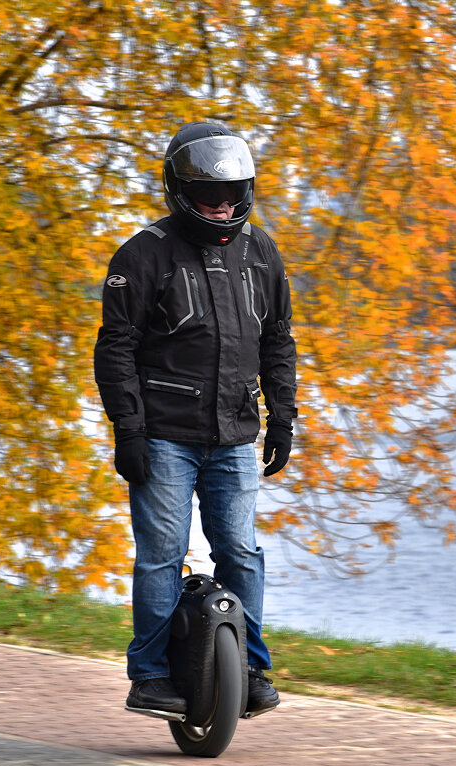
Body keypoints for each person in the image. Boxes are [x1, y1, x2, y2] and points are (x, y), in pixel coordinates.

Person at [94, 122, 298, 717]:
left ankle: (253, 670)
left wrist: (282, 418)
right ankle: (150, 675)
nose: (223, 204)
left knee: (241, 550)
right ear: (179, 190)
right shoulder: (142, 255)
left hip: (235, 434)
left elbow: (278, 341)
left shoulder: (261, 251)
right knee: (162, 552)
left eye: (233, 193)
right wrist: (128, 431)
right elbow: (115, 351)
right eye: (211, 196)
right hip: (162, 437)